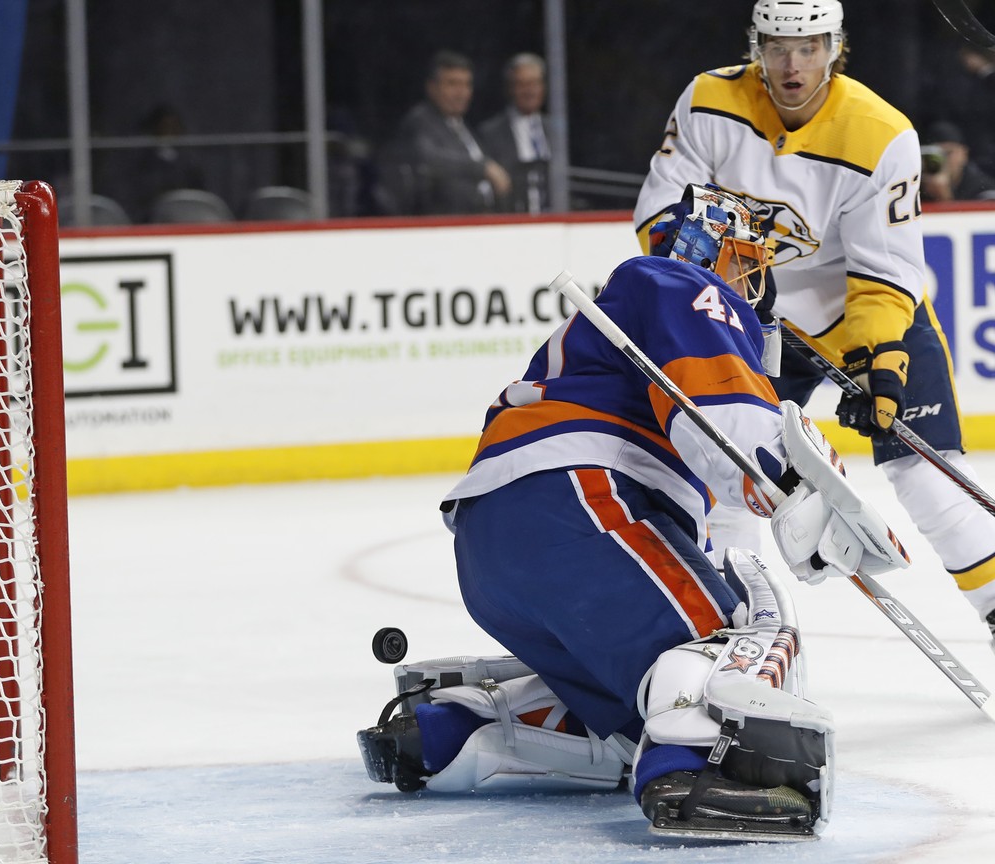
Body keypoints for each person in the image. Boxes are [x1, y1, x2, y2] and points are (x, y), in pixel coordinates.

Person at [356, 184, 908, 841]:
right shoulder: (680, 282)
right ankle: (698, 766)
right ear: (717, 246)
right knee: (733, 632)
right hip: (580, 500)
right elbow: (723, 420)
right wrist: (800, 491)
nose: (762, 277)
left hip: (499, 539)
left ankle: (452, 732)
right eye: (754, 256)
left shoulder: (639, 306)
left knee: (634, 707)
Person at [633, 0, 995, 707]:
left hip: (865, 317)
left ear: (836, 47)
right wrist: (728, 282)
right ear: (757, 46)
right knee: (734, 470)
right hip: (751, 318)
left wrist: (879, 366)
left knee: (924, 474)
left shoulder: (879, 133)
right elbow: (659, 215)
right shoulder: (710, 101)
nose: (792, 64)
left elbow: (884, 272)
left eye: (809, 47)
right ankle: (731, 629)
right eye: (777, 46)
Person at [376, 50, 511, 215]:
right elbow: (428, 159)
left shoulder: (465, 128)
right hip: (443, 225)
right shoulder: (420, 121)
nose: (461, 93)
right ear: (432, 88)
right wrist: (482, 168)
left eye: (466, 84)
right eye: (452, 84)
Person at [922, 44, 995, 186]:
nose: (965, 61)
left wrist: (985, 68)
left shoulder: (993, 79)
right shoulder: (962, 80)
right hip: (974, 152)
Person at [477, 53, 553, 214]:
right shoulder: (491, 133)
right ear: (510, 88)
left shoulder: (556, 130)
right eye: (522, 84)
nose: (529, 91)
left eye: (534, 83)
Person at [920, 120, 995, 203]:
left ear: (964, 154)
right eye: (935, 156)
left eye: (948, 153)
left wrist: (944, 197)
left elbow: (988, 216)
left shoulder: (984, 187)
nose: (943, 159)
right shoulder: (915, 186)